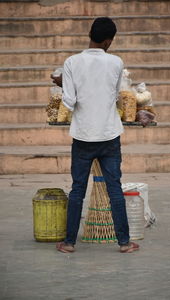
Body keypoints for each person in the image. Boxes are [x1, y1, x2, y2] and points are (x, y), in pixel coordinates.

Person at [53, 17, 139, 254]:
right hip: (109, 135)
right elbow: (115, 95)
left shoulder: (71, 62)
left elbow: (69, 102)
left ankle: (69, 242)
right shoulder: (116, 62)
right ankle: (124, 243)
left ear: (90, 34)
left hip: (83, 136)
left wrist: (61, 83)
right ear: (108, 41)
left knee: (78, 189)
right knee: (115, 189)